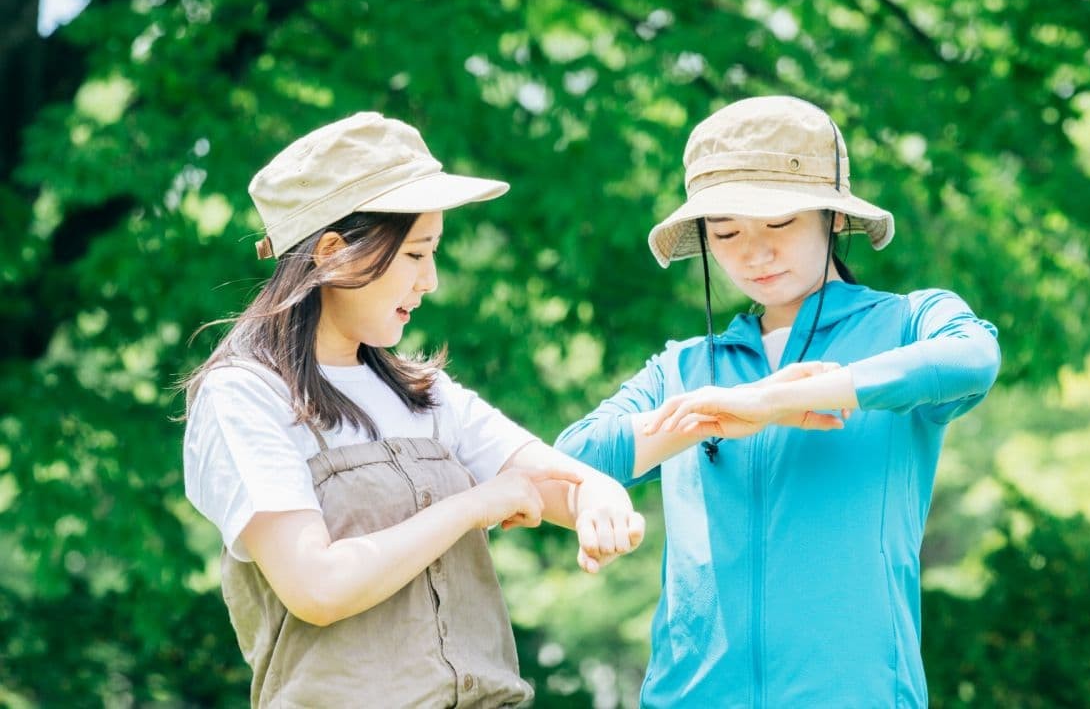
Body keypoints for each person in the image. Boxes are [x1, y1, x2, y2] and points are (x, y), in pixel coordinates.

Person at [182, 112, 645, 708]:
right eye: (415, 255)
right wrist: (476, 504)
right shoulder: (244, 396)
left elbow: (547, 480)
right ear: (334, 254)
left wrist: (598, 496)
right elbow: (317, 586)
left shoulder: (425, 391)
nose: (430, 281)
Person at [556, 96, 1001, 707]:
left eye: (780, 223)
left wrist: (781, 402)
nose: (754, 253)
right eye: (727, 231)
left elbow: (972, 357)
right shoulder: (684, 366)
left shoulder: (907, 321)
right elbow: (572, 457)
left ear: (832, 217)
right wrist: (728, 407)